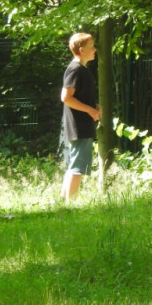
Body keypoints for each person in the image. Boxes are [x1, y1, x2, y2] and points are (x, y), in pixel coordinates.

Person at [60, 32, 101, 202]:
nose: (95, 49)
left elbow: (79, 96)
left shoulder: (81, 69)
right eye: (92, 46)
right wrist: (90, 111)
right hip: (79, 125)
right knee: (78, 167)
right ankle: (70, 205)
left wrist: (94, 106)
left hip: (80, 124)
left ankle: (64, 202)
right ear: (82, 50)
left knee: (74, 165)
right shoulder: (76, 69)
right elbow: (66, 97)